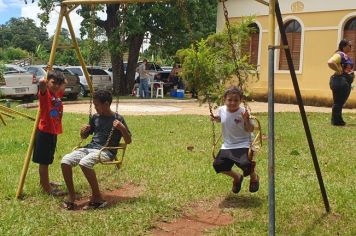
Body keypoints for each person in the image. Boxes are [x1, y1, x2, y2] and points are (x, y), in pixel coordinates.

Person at [61, 90, 132, 210]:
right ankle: (72, 195)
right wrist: (83, 132)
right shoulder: (95, 118)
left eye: (97, 105)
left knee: (85, 163)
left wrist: (122, 128)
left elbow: (128, 140)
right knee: (65, 161)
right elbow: (84, 136)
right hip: (90, 148)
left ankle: (97, 197)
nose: (95, 108)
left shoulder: (118, 118)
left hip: (106, 151)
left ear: (106, 104)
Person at [211, 87, 259, 194]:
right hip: (228, 145)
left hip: (243, 143)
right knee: (218, 165)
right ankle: (237, 177)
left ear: (241, 100)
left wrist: (246, 119)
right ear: (225, 99)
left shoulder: (244, 112)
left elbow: (250, 129)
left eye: (236, 100)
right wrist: (216, 119)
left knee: (245, 164)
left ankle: (254, 177)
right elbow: (221, 119)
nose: (232, 103)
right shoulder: (221, 109)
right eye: (230, 100)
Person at [32, 70, 67, 196]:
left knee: (48, 159)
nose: (57, 85)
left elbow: (64, 83)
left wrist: (58, 78)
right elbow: (41, 84)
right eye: (53, 83)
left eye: (58, 83)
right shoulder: (45, 95)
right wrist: (44, 79)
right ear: (48, 83)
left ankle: (45, 182)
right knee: (44, 162)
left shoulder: (57, 95)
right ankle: (47, 189)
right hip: (45, 132)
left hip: (52, 132)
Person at [327, 39, 354, 126]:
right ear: (344, 46)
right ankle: (336, 121)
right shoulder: (340, 54)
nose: (351, 47)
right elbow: (330, 62)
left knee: (339, 102)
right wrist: (338, 70)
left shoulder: (345, 56)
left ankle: (338, 120)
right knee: (338, 102)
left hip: (343, 81)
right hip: (340, 81)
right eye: (349, 45)